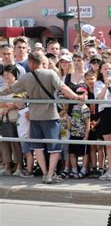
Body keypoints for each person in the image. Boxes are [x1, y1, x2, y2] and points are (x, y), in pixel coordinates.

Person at [0, 52, 85, 184]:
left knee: (38, 147)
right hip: (50, 115)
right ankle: (50, 174)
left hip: (34, 116)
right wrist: (77, 97)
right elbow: (63, 88)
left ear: (32, 63)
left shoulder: (26, 77)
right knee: (54, 147)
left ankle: (45, 173)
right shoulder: (50, 74)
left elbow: (10, 89)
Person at [67, 86, 90, 179]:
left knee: (84, 153)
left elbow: (87, 123)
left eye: (82, 94)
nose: (80, 96)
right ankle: (74, 170)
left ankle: (84, 170)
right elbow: (70, 119)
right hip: (73, 134)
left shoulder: (86, 108)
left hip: (82, 134)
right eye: (78, 94)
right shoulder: (73, 107)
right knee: (72, 153)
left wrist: (86, 136)